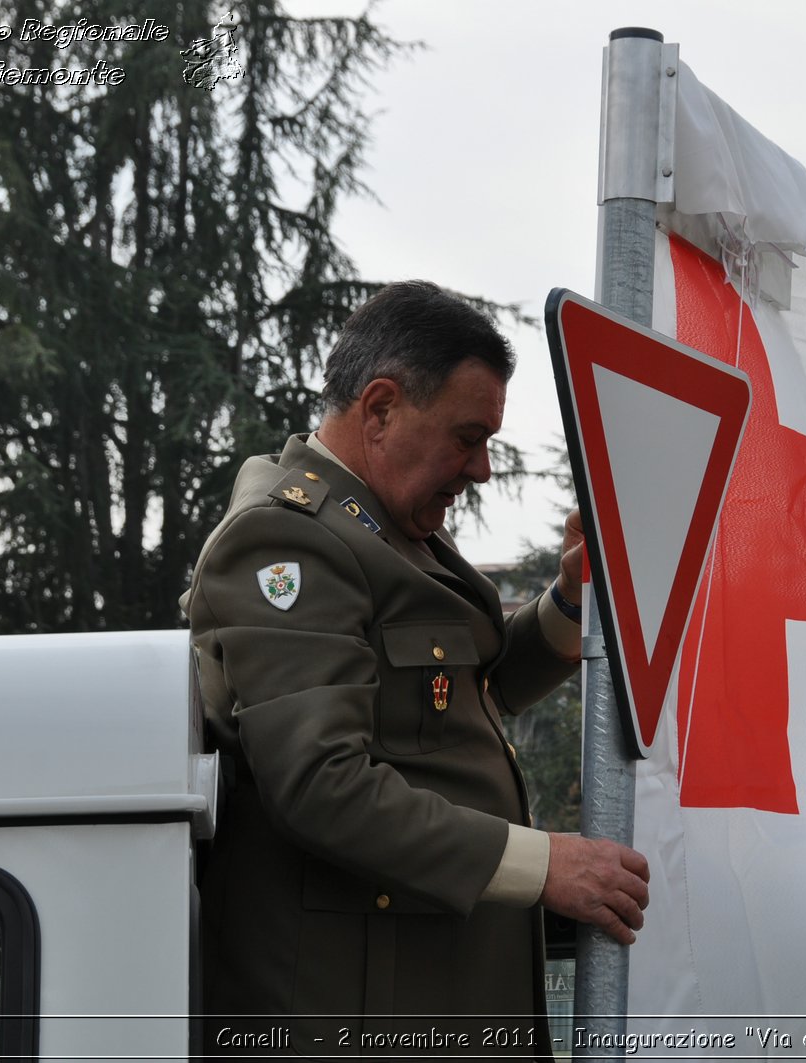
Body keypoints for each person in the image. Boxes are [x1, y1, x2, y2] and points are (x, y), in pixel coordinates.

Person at [181, 281, 649, 1059]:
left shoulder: (380, 527)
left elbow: (461, 688)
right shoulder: (289, 543)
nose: (483, 469)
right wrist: (541, 864)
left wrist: (570, 598)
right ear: (381, 408)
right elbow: (320, 781)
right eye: (468, 437)